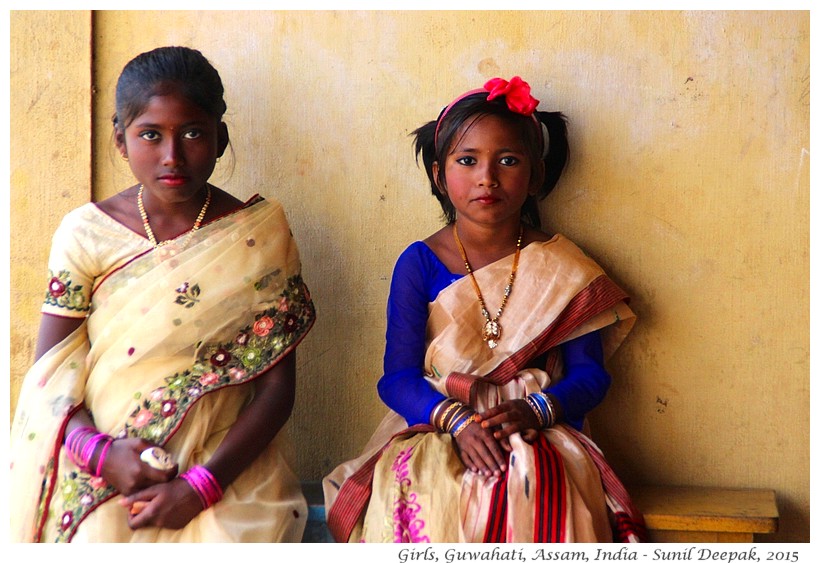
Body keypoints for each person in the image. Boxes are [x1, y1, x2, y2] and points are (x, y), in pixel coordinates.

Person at [9, 46, 316, 542]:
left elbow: (277, 391)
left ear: (221, 138)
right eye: (150, 135)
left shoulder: (258, 234)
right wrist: (100, 455)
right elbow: (50, 376)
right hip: (102, 460)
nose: (172, 156)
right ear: (121, 140)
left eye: (192, 133)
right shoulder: (85, 234)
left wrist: (202, 487)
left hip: (224, 468)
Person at [323, 77, 645, 543]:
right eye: (467, 160)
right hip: (435, 423)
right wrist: (457, 422)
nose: (486, 178)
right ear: (440, 175)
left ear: (535, 176)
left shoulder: (564, 267)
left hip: (535, 427)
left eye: (508, 161)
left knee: (533, 488)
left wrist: (535, 411)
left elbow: (590, 377)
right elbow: (397, 378)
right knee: (426, 497)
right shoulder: (418, 262)